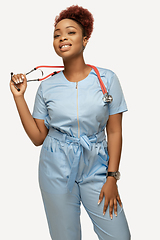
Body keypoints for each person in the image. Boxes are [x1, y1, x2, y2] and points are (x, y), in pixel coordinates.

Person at [10, 5, 131, 240]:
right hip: (55, 166)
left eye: (70, 32)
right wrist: (19, 98)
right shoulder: (47, 87)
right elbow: (37, 138)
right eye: (57, 34)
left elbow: (114, 132)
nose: (62, 37)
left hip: (96, 165)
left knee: (119, 236)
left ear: (85, 39)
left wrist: (112, 177)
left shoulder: (107, 79)